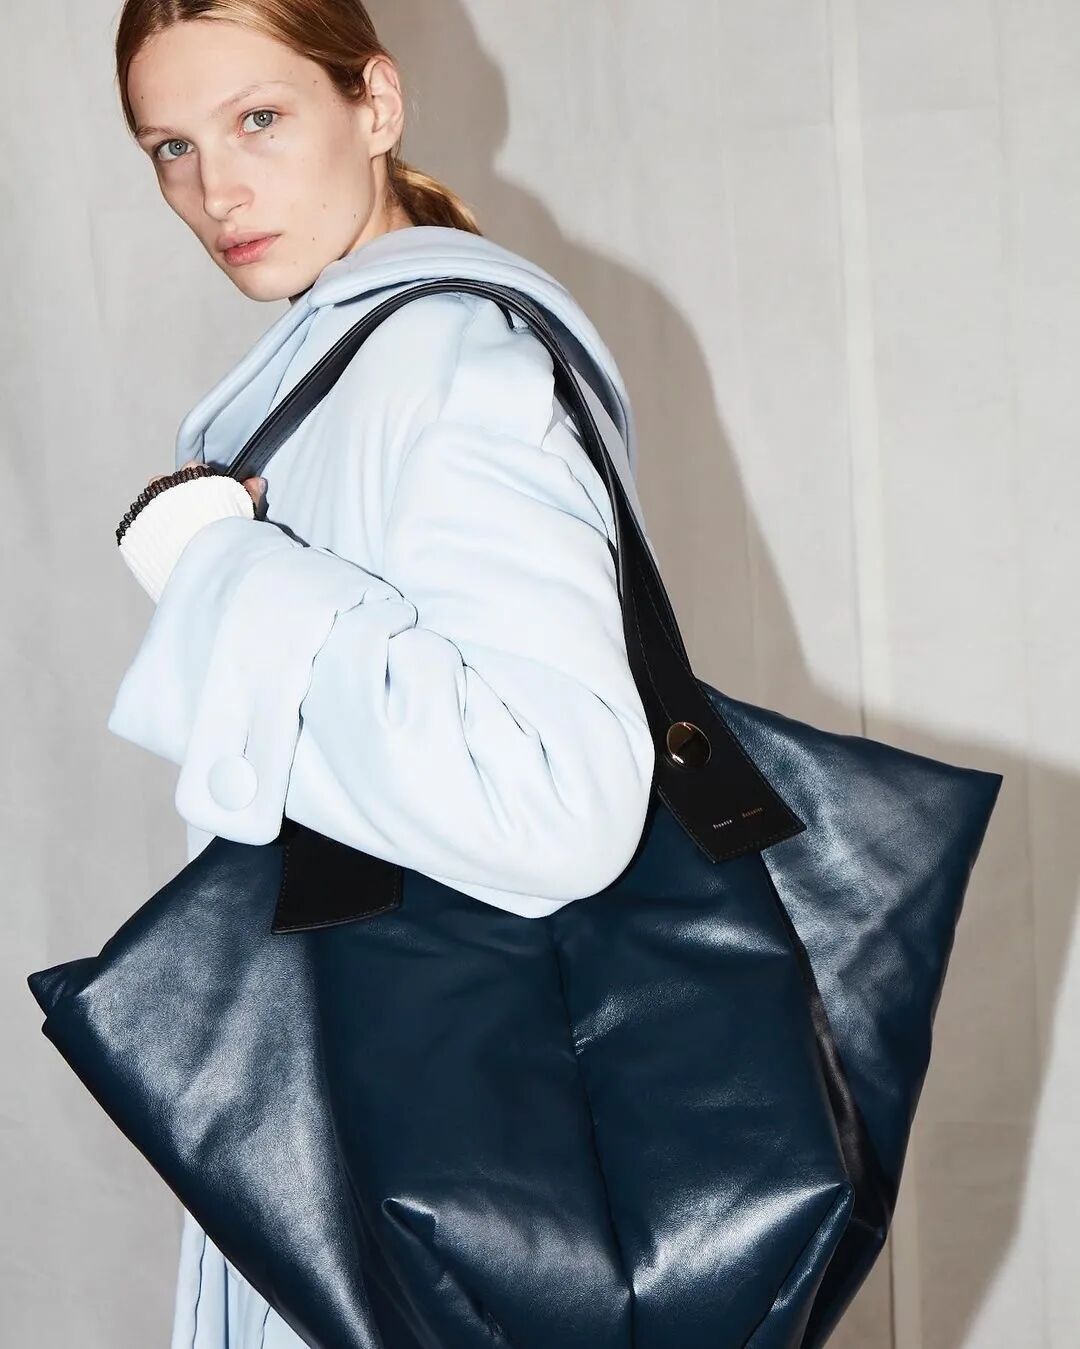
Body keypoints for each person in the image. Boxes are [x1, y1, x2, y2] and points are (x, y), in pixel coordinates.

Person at [108, 1, 656, 1344]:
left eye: (258, 120)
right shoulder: (338, 368)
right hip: (359, 1116)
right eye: (172, 148)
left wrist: (220, 566)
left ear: (377, 106)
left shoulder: (447, 360)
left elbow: (556, 801)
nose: (215, 190)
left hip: (407, 1147)